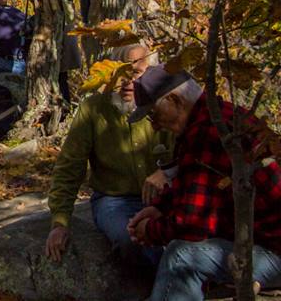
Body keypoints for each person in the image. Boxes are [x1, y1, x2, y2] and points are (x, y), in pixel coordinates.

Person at [127, 67, 281, 300]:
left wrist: (149, 231)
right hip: (259, 241)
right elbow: (195, 184)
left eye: (154, 115)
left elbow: (193, 225)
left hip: (274, 251)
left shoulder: (208, 131)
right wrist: (159, 208)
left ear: (175, 100)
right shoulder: (214, 117)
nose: (155, 125)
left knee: (181, 256)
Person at [45, 43, 173, 267]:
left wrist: (167, 172)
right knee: (130, 238)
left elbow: (192, 152)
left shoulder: (166, 105)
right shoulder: (93, 109)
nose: (126, 81)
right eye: (119, 72)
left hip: (165, 197)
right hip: (114, 200)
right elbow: (69, 166)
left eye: (135, 72)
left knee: (183, 236)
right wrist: (59, 222)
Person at [43, 0, 83, 103]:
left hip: (61, 34)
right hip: (68, 30)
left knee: (59, 76)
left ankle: (62, 106)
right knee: (61, 75)